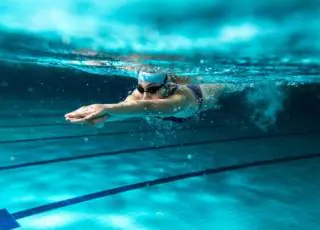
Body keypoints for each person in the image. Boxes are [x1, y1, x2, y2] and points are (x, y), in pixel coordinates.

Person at [64, 70, 239, 126]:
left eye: (154, 89)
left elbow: (147, 107)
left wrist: (104, 106)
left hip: (212, 93)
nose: (145, 96)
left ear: (167, 86)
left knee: (231, 86)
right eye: (141, 89)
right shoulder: (140, 95)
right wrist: (100, 117)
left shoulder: (181, 98)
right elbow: (126, 108)